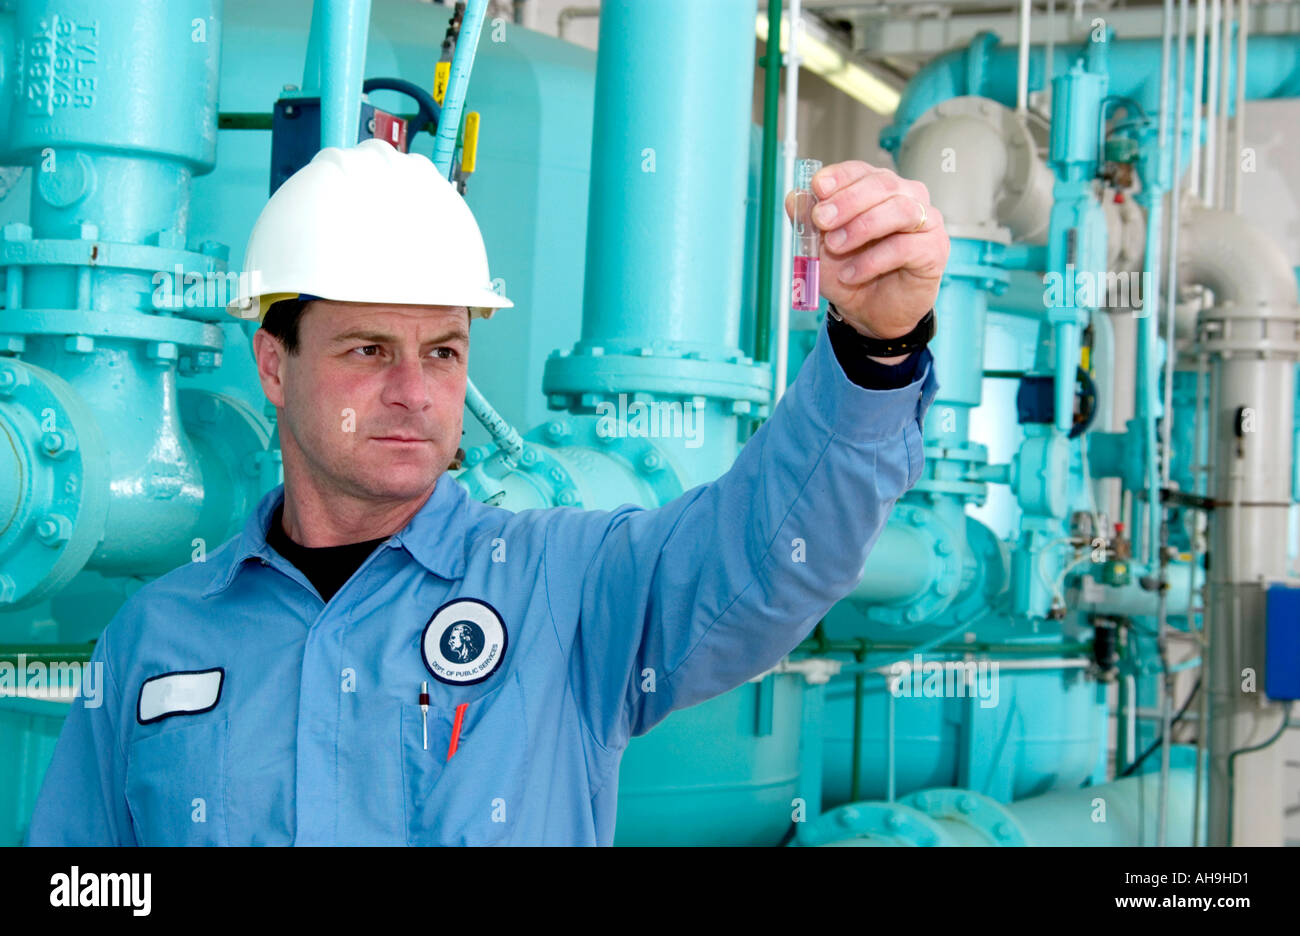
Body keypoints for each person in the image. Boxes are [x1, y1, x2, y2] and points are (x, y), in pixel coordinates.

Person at [26, 138, 946, 845]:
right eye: (367, 351)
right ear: (275, 364)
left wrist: (875, 351)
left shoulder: (568, 589)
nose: (414, 393)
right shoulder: (157, 635)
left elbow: (768, 553)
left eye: (444, 353)